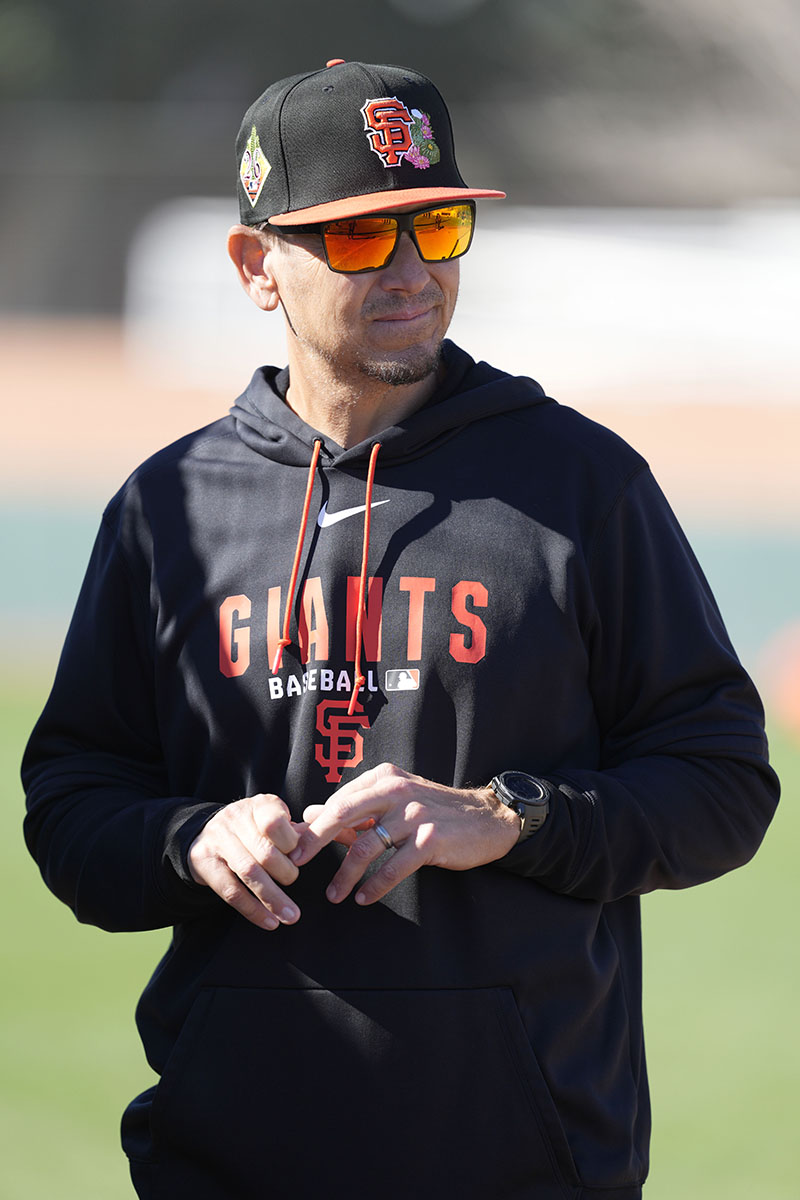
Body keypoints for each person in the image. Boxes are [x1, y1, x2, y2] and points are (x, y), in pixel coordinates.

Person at [23, 59, 779, 1199]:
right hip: (224, 1157)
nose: (413, 271)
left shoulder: (579, 485)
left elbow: (721, 785)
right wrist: (188, 841)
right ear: (254, 266)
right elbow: (73, 806)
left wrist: (508, 818)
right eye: (362, 238)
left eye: (433, 225)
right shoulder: (166, 509)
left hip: (523, 1161)